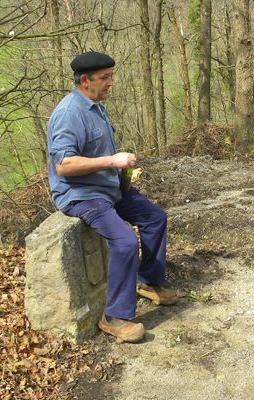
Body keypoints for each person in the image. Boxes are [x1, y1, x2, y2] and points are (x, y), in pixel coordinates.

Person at [47, 51, 180, 344]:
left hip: (107, 188)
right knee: (124, 240)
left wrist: (119, 175)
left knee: (155, 218)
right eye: (105, 78)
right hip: (80, 195)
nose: (111, 83)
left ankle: (147, 281)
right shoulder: (69, 113)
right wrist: (112, 161)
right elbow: (64, 165)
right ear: (85, 80)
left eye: (111, 76)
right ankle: (114, 316)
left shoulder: (95, 105)